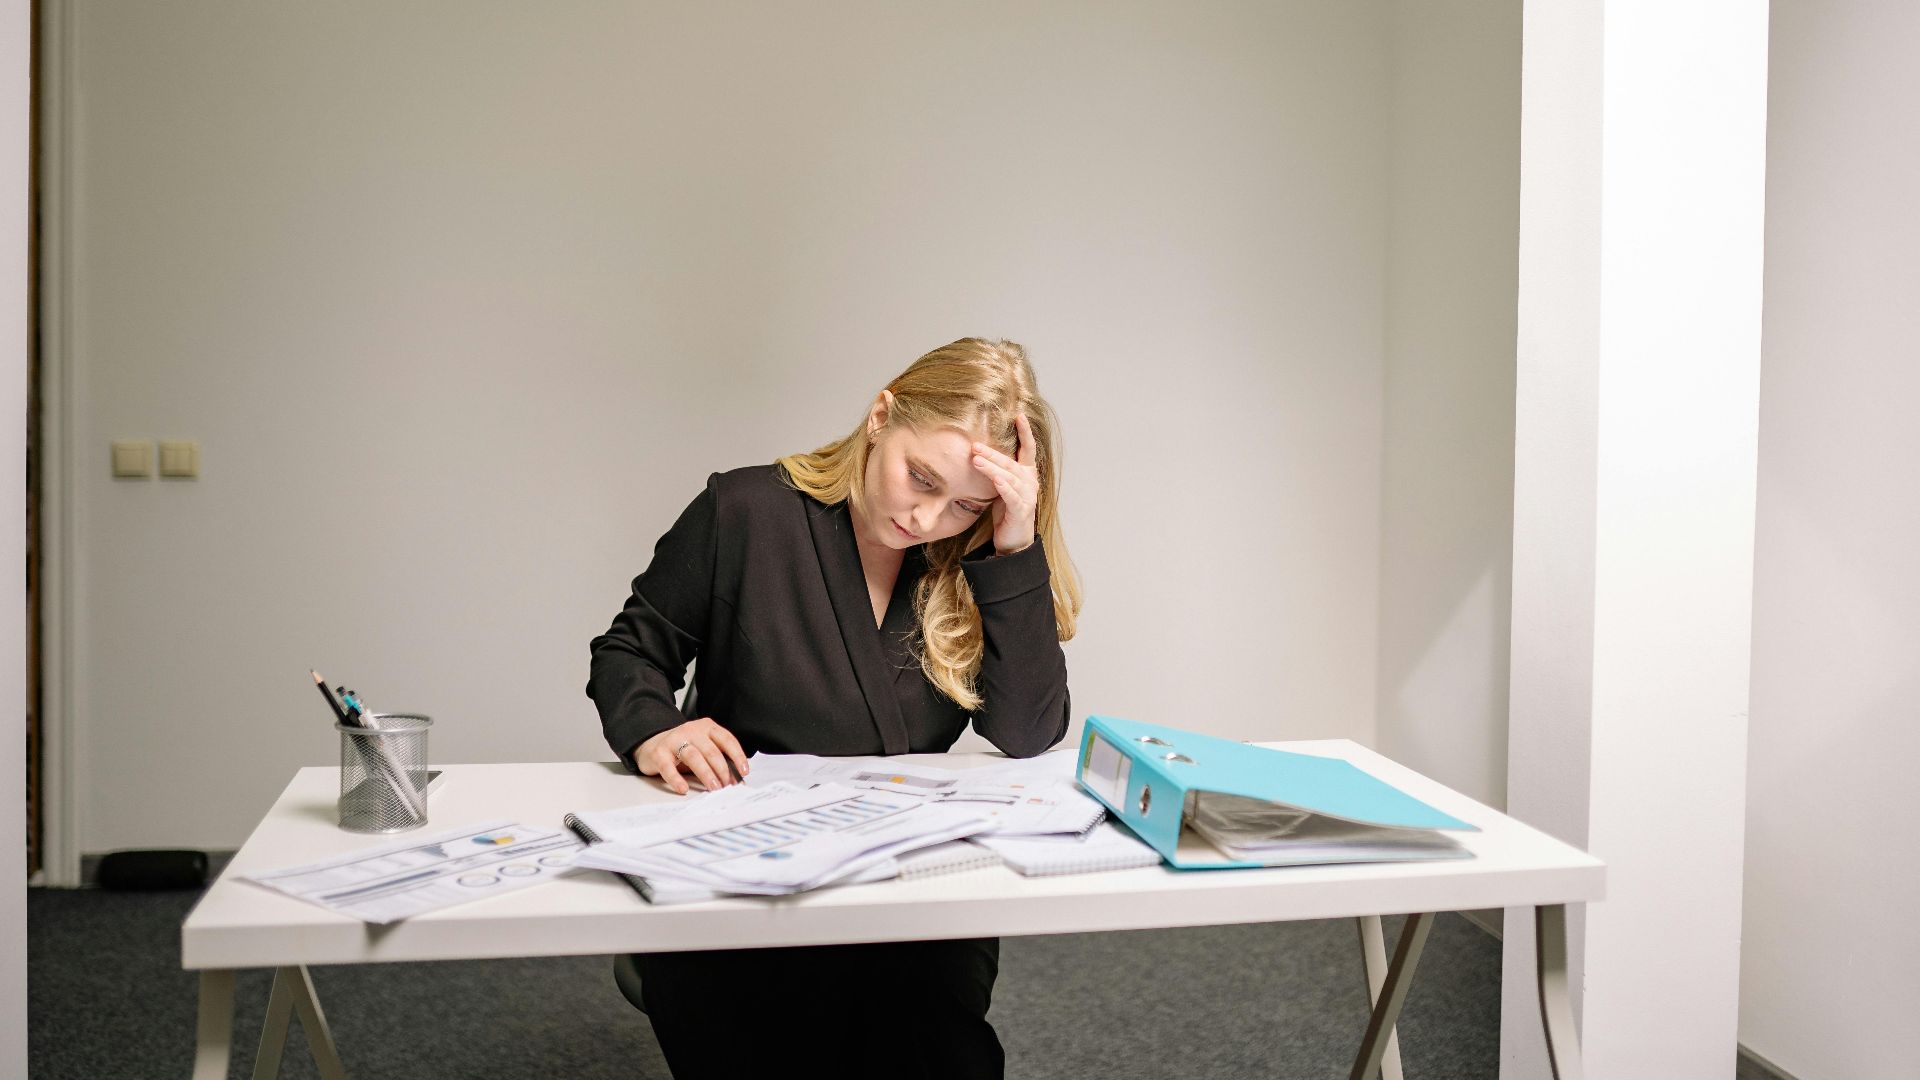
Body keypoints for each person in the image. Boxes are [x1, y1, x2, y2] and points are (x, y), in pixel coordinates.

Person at [586, 337, 1082, 1080]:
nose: (928, 518)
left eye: (967, 504)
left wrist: (1011, 546)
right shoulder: (746, 510)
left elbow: (1028, 731)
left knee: (934, 1055)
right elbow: (629, 652)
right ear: (881, 415)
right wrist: (658, 727)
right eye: (919, 478)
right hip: (746, 876)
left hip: (908, 890)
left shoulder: (972, 556)